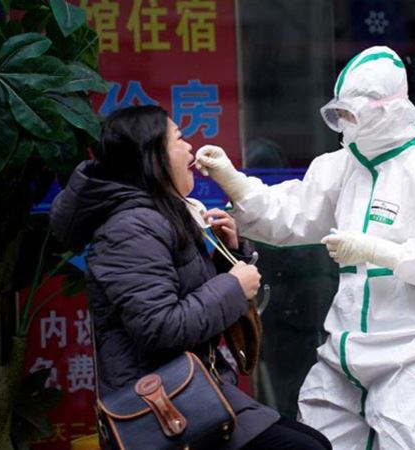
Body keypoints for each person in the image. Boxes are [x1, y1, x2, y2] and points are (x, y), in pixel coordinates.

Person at [194, 46, 415, 449]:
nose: (344, 124)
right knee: (315, 440)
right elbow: (290, 215)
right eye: (338, 114)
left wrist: (379, 252)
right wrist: (233, 181)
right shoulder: (343, 167)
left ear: (388, 109)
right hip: (342, 355)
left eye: (352, 114)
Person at [49, 105, 331, 450]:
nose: (189, 149)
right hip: (160, 408)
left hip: (194, 392)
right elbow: (161, 327)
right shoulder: (129, 228)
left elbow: (190, 299)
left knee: (311, 442)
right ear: (152, 155)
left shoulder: (158, 215)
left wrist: (231, 256)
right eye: (179, 139)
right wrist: (234, 285)